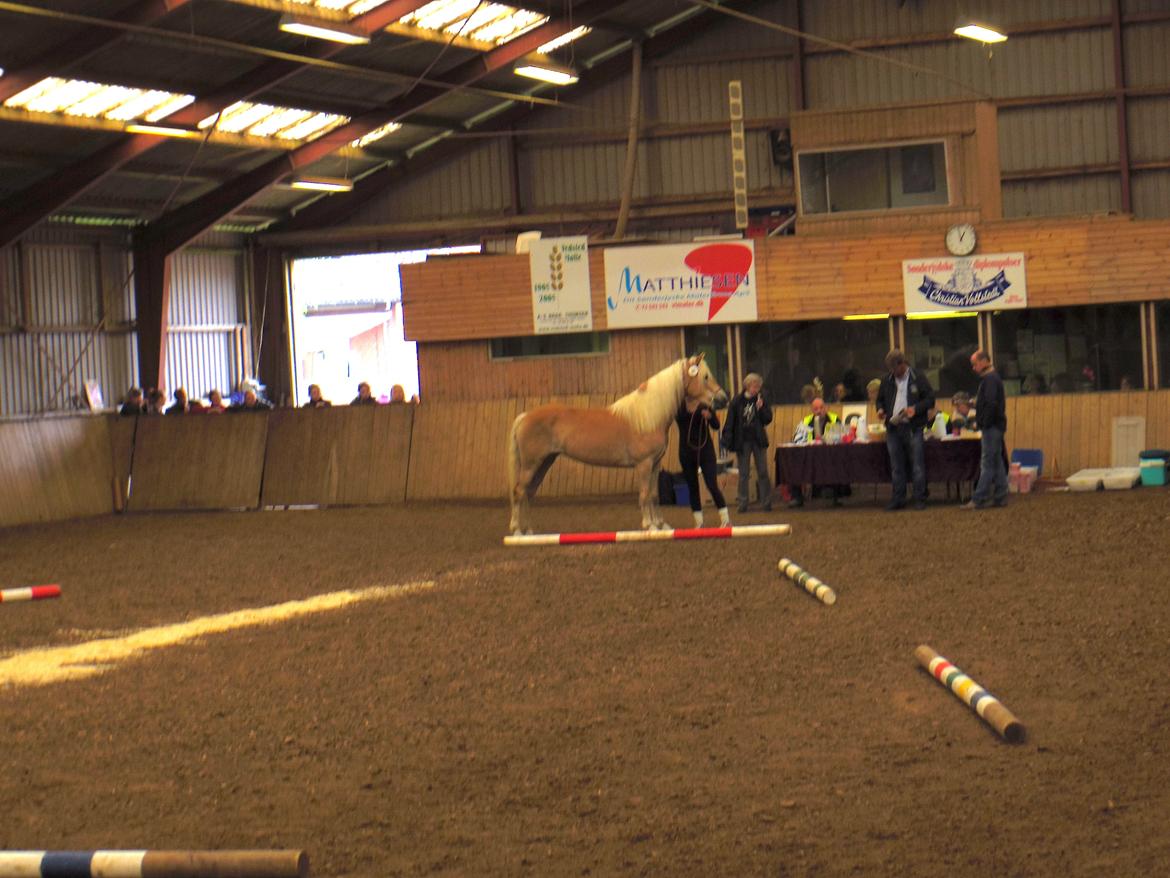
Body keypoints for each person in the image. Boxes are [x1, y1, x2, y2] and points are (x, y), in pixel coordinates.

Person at [875, 349, 935, 511]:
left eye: (895, 369)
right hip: (893, 428)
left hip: (913, 427)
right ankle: (898, 498)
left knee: (917, 464)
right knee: (896, 466)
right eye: (891, 370)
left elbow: (930, 399)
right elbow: (879, 400)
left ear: (903, 364)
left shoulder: (918, 377)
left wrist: (916, 409)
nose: (893, 372)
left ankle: (919, 497)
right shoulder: (886, 380)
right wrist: (880, 409)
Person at [962, 349, 1008, 510]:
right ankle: (1001, 495)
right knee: (997, 462)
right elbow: (991, 402)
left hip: (991, 427)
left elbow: (991, 404)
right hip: (996, 425)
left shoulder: (989, 380)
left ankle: (978, 498)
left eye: (975, 364)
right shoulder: (993, 379)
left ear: (983, 362)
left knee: (987, 463)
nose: (974, 368)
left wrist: (982, 423)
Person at [721, 373, 773, 513]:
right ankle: (743, 503)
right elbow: (730, 421)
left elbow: (768, 419)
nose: (757, 389)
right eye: (755, 386)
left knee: (763, 471)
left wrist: (761, 408)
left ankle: (766, 502)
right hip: (742, 441)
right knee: (743, 473)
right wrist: (726, 440)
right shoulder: (737, 401)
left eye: (758, 387)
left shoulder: (761, 399)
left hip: (758, 440)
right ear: (748, 386)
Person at [674, 398, 731, 528]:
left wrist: (710, 417)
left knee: (712, 485)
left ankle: (725, 519)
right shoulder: (679, 407)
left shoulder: (704, 406)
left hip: (705, 451)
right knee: (692, 487)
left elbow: (716, 426)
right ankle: (699, 522)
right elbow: (678, 419)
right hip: (686, 452)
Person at [788, 398, 846, 508]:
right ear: (812, 410)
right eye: (816, 409)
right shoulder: (806, 421)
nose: (819, 411)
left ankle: (836, 496)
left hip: (830, 455)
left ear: (826, 408)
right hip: (810, 455)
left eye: (821, 408)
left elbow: (842, 436)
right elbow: (797, 438)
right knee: (794, 462)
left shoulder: (834, 419)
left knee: (839, 461)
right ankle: (797, 497)